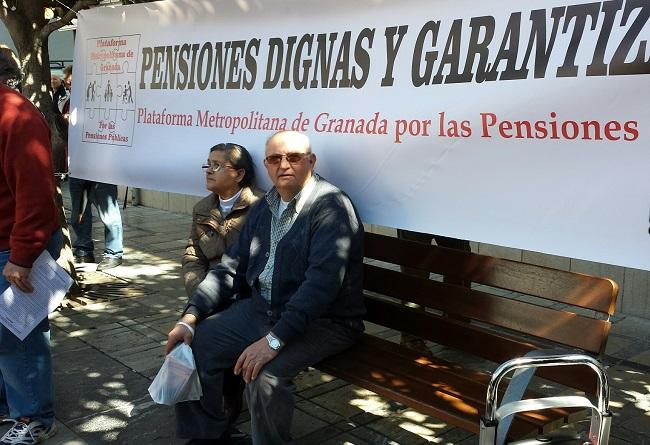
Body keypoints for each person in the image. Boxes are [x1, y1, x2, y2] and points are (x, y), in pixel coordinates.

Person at [168, 131, 365, 445]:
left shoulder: (331, 207)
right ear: (266, 165)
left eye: (294, 157)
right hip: (264, 309)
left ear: (311, 162)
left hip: (324, 322)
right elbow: (230, 267)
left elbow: (321, 287)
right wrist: (190, 316)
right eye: (275, 159)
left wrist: (274, 341)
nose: (283, 165)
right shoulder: (265, 206)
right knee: (192, 344)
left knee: (264, 376)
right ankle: (208, 437)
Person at [0, 49, 62, 445]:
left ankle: (34, 416)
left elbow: (37, 195)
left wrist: (22, 256)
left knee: (20, 334)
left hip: (16, 245)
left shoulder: (15, 115)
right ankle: (11, 405)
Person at [182, 143, 260, 433]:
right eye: (207, 163)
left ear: (239, 174)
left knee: (210, 335)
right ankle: (206, 420)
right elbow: (192, 257)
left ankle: (227, 404)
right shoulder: (203, 208)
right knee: (186, 335)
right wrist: (200, 293)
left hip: (243, 294)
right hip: (209, 291)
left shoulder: (259, 208)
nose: (209, 170)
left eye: (217, 165)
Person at [62, 65, 124, 270]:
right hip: (77, 165)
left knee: (108, 211)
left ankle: (114, 252)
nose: (69, 86)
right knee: (78, 212)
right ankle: (83, 249)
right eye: (68, 83)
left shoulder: (103, 101)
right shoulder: (69, 104)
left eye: (72, 82)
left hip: (101, 166)